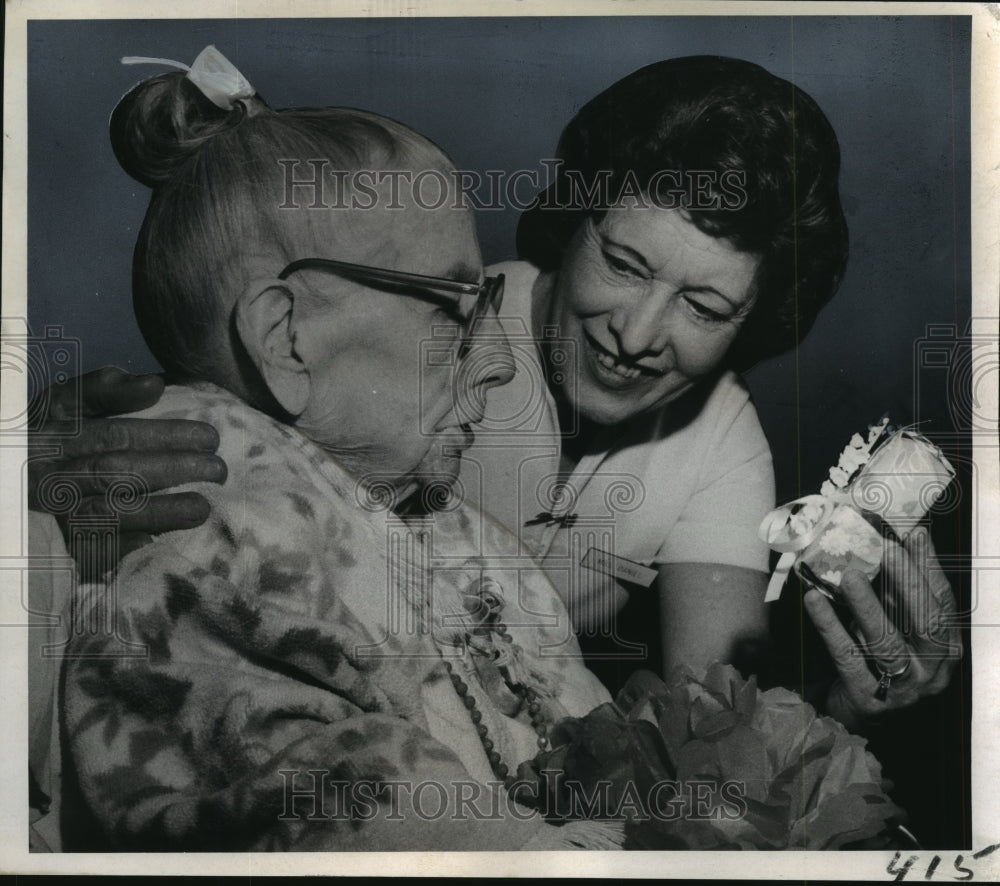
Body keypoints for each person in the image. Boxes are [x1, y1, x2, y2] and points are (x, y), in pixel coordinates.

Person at [30, 57, 959, 738]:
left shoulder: (724, 445)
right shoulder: (403, 323)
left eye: (705, 305)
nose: (636, 334)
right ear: (573, 219)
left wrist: (844, 712)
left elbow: (706, 728)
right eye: (625, 263)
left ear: (756, 321)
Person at [42, 53, 624, 851]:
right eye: (458, 307)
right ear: (286, 340)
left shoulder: (445, 527)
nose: (498, 359)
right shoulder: (208, 530)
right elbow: (321, 793)